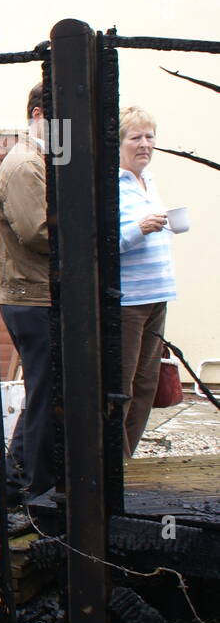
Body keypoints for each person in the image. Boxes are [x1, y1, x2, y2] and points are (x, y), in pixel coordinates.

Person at [0, 83, 56, 505]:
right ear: (37, 114)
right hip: (30, 295)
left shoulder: (38, 161)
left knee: (46, 390)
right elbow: (38, 233)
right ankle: (24, 487)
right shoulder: (26, 165)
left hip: (33, 292)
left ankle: (20, 485)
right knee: (46, 391)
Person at [117, 106, 176, 457]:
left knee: (146, 385)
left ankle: (129, 461)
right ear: (119, 142)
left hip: (158, 293)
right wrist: (140, 229)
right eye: (135, 137)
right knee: (121, 386)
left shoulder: (149, 181)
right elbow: (104, 242)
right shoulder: (112, 184)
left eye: (149, 137)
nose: (144, 145)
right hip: (129, 300)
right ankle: (115, 466)